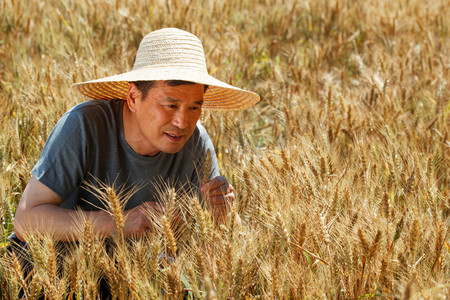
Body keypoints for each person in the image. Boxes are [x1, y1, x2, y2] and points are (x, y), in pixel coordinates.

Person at [11, 28, 259, 243]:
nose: (182, 122)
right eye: (170, 105)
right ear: (132, 97)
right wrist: (119, 223)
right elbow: (25, 221)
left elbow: (226, 241)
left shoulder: (196, 141)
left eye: (194, 107)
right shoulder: (84, 125)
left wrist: (225, 215)